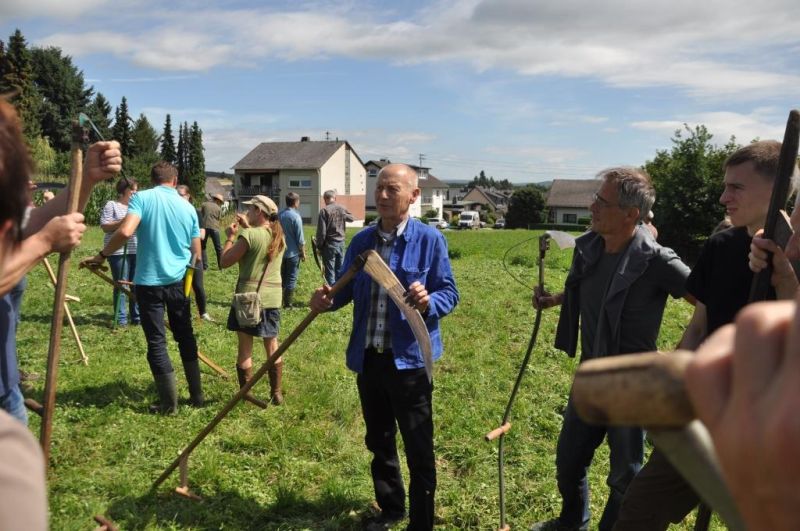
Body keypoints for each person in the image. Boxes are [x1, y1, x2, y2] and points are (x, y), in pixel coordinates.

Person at [614, 140, 788, 530]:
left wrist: (786, 274)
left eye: (737, 187)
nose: (724, 197)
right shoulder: (722, 246)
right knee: (640, 509)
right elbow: (699, 325)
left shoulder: (794, 256)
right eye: (725, 185)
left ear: (777, 189)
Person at [530, 167, 690, 531]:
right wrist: (555, 299)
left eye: (602, 201)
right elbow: (588, 292)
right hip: (590, 376)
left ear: (631, 214)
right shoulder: (588, 249)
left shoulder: (657, 260)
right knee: (568, 462)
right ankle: (573, 522)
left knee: (624, 476)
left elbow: (707, 302)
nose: (592, 206)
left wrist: (680, 356)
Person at [310, 163, 459, 531]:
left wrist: (428, 301)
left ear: (414, 196)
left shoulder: (429, 240)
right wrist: (326, 299)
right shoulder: (362, 243)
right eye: (379, 189)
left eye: (392, 189)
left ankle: (421, 522)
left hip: (409, 362)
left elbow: (450, 294)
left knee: (418, 446)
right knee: (379, 440)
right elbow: (343, 291)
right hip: (370, 358)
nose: (382, 196)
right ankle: (391, 508)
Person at [0, 101, 121, 424]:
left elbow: (37, 220)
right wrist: (43, 243)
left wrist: (87, 179)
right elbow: (38, 234)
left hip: (5, 384)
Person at [82, 161, 204, 414]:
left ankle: (169, 406)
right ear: (175, 179)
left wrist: (102, 255)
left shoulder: (141, 199)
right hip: (181, 282)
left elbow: (126, 231)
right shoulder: (188, 207)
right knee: (185, 336)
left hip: (149, 283)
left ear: (152, 178)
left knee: (157, 342)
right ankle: (197, 396)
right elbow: (197, 253)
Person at [221, 195, 286, 406]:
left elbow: (224, 261)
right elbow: (260, 243)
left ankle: (246, 394)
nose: (247, 211)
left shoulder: (249, 235)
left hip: (248, 299)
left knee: (245, 348)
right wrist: (247, 227)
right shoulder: (278, 236)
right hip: (273, 298)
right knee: (272, 346)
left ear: (259, 211)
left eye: (250, 208)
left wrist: (231, 236)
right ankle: (276, 393)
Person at [100, 177, 140, 327]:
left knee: (136, 284)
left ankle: (137, 317)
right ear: (124, 190)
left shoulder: (137, 207)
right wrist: (122, 222)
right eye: (133, 190)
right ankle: (121, 319)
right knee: (122, 285)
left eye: (137, 190)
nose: (135, 193)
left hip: (136, 249)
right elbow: (105, 226)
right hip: (117, 251)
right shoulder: (112, 205)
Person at [177, 185, 213, 322]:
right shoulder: (174, 212)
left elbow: (202, 234)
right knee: (180, 285)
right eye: (177, 195)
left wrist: (190, 234)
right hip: (179, 254)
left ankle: (203, 312)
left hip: (194, 254)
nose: (179, 198)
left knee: (197, 285)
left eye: (181, 195)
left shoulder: (195, 212)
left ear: (188, 196)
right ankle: (184, 313)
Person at [315, 189, 354, 286]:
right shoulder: (342, 208)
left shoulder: (324, 211)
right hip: (341, 244)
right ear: (334, 198)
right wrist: (343, 214)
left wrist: (319, 246)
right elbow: (352, 219)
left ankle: (331, 295)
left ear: (325, 199)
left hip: (329, 245)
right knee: (340, 270)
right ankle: (339, 293)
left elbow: (322, 232)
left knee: (329, 271)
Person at [279, 192, 306, 307]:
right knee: (291, 277)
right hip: (293, 253)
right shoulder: (296, 217)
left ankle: (278, 300)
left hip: (280, 252)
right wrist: (303, 253)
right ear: (296, 202)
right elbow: (300, 239)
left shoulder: (279, 214)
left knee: (282, 277)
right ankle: (288, 303)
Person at [200, 192, 224, 270]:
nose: (220, 203)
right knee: (218, 248)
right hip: (215, 228)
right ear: (217, 200)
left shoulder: (204, 204)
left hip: (205, 227)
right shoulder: (219, 208)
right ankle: (221, 266)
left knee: (203, 247)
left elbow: (201, 214)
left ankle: (205, 266)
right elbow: (219, 218)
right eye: (220, 202)